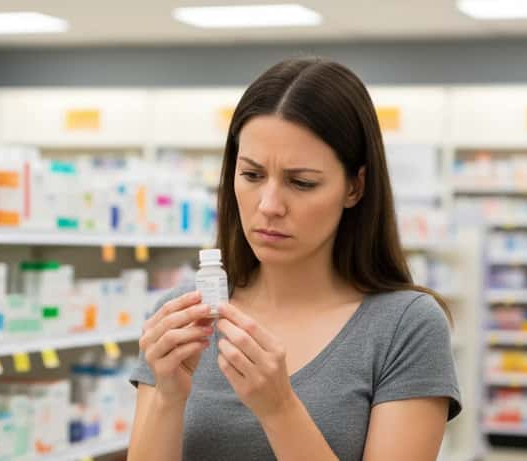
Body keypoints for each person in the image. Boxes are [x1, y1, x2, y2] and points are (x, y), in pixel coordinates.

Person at [128, 57, 461, 461]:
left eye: (301, 183)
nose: (269, 205)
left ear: (355, 187)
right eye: (251, 175)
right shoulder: (182, 316)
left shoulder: (405, 327)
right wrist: (167, 396)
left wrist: (279, 408)